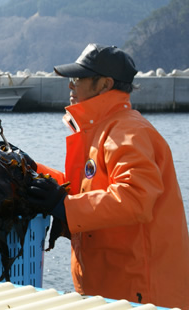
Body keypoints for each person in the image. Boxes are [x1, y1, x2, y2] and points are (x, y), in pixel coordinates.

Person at [25, 43, 189, 308]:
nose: (70, 85)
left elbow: (135, 197)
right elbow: (86, 190)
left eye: (78, 78)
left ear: (104, 84)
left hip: (140, 294)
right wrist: (31, 169)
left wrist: (64, 207)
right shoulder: (105, 129)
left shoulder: (128, 131)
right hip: (113, 289)